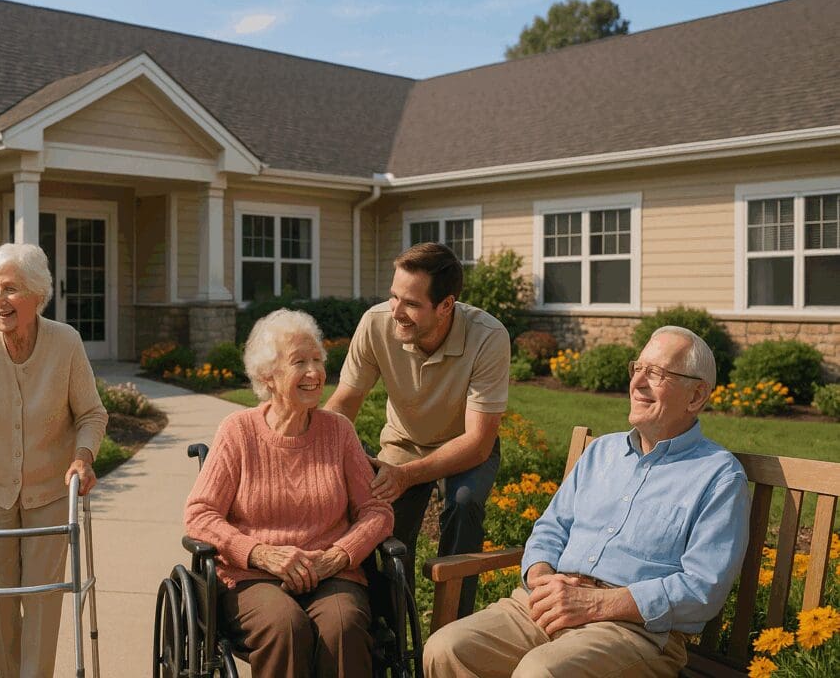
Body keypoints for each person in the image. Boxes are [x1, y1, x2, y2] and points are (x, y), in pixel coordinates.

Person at [423, 326, 751, 677]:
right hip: (549, 603)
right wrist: (543, 577)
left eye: (655, 373)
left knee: (540, 673)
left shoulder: (717, 476)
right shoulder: (602, 452)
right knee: (446, 649)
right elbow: (550, 529)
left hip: (634, 630)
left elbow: (703, 589)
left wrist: (598, 604)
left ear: (696, 396)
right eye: (637, 369)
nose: (638, 383)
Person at [0, 243, 108, 678]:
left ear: (36, 295)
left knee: (44, 601)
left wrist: (83, 458)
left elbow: (91, 413)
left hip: (50, 492)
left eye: (10, 289)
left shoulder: (66, 342)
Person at [184, 309, 394, 677]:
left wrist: (338, 556)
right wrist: (261, 554)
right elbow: (200, 515)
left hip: (331, 573)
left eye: (318, 360)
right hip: (254, 577)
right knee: (286, 626)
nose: (315, 373)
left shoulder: (339, 431)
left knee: (343, 627)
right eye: (300, 362)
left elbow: (377, 510)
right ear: (269, 376)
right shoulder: (239, 432)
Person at [325, 242, 509, 618]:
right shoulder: (377, 324)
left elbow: (477, 442)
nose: (397, 311)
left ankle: (454, 628)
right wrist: (318, 447)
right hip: (404, 442)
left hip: (464, 446)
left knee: (464, 504)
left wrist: (407, 476)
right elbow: (343, 404)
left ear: (446, 306)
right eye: (394, 297)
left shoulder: (488, 337)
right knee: (381, 521)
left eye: (411, 303)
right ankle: (393, 632)